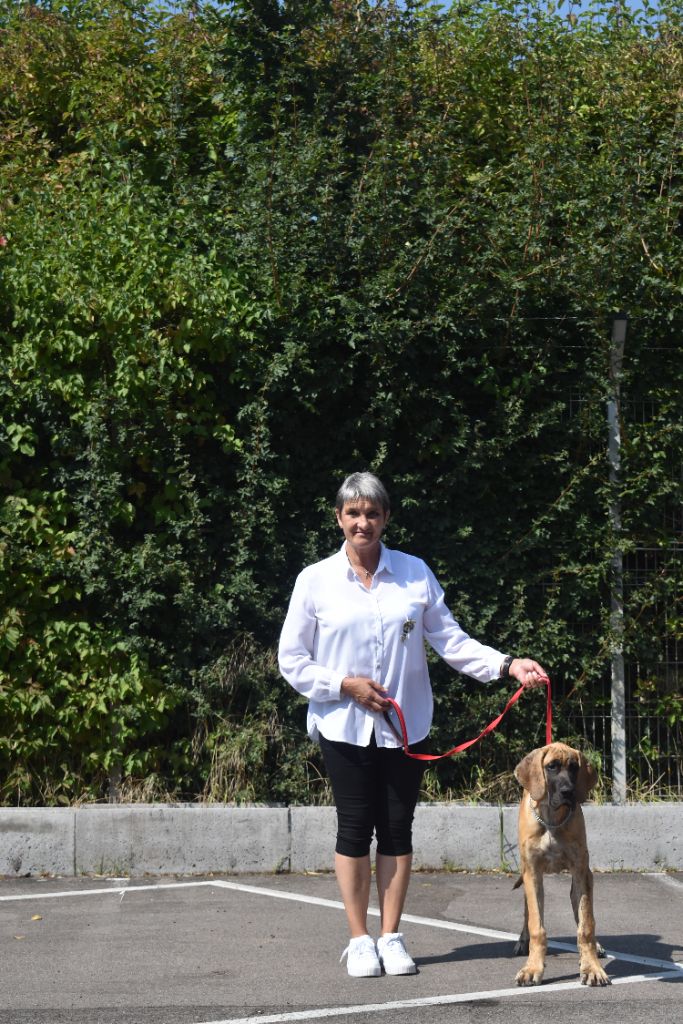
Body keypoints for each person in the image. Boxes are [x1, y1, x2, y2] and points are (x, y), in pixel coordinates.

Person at [278, 471, 549, 978]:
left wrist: (508, 664)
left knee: (397, 829)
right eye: (353, 513)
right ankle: (359, 940)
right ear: (338, 518)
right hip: (343, 726)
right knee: (354, 829)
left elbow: (451, 641)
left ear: (385, 518)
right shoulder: (314, 580)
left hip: (405, 729)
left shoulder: (414, 573)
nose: (363, 522)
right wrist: (344, 685)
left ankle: (391, 936)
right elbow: (291, 660)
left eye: (372, 513)